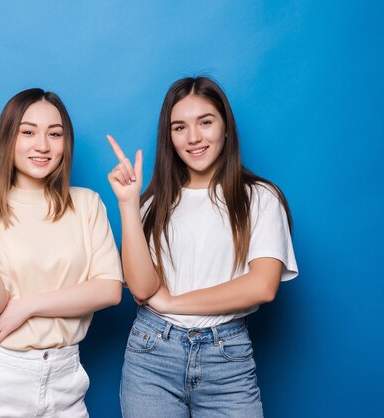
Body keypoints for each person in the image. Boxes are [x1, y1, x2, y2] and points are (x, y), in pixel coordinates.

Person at [107, 76, 298, 418]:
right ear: (170, 138)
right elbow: (141, 288)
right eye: (179, 127)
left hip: (227, 355)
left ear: (226, 127)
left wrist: (174, 302)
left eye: (205, 123)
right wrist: (127, 204)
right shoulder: (152, 204)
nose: (193, 137)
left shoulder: (260, 198)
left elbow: (262, 286)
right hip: (152, 352)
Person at [0, 88, 123, 418]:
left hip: (66, 378)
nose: (42, 145)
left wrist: (27, 307)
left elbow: (110, 289)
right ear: (7, 139)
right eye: (27, 132)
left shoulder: (87, 204)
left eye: (54, 134)